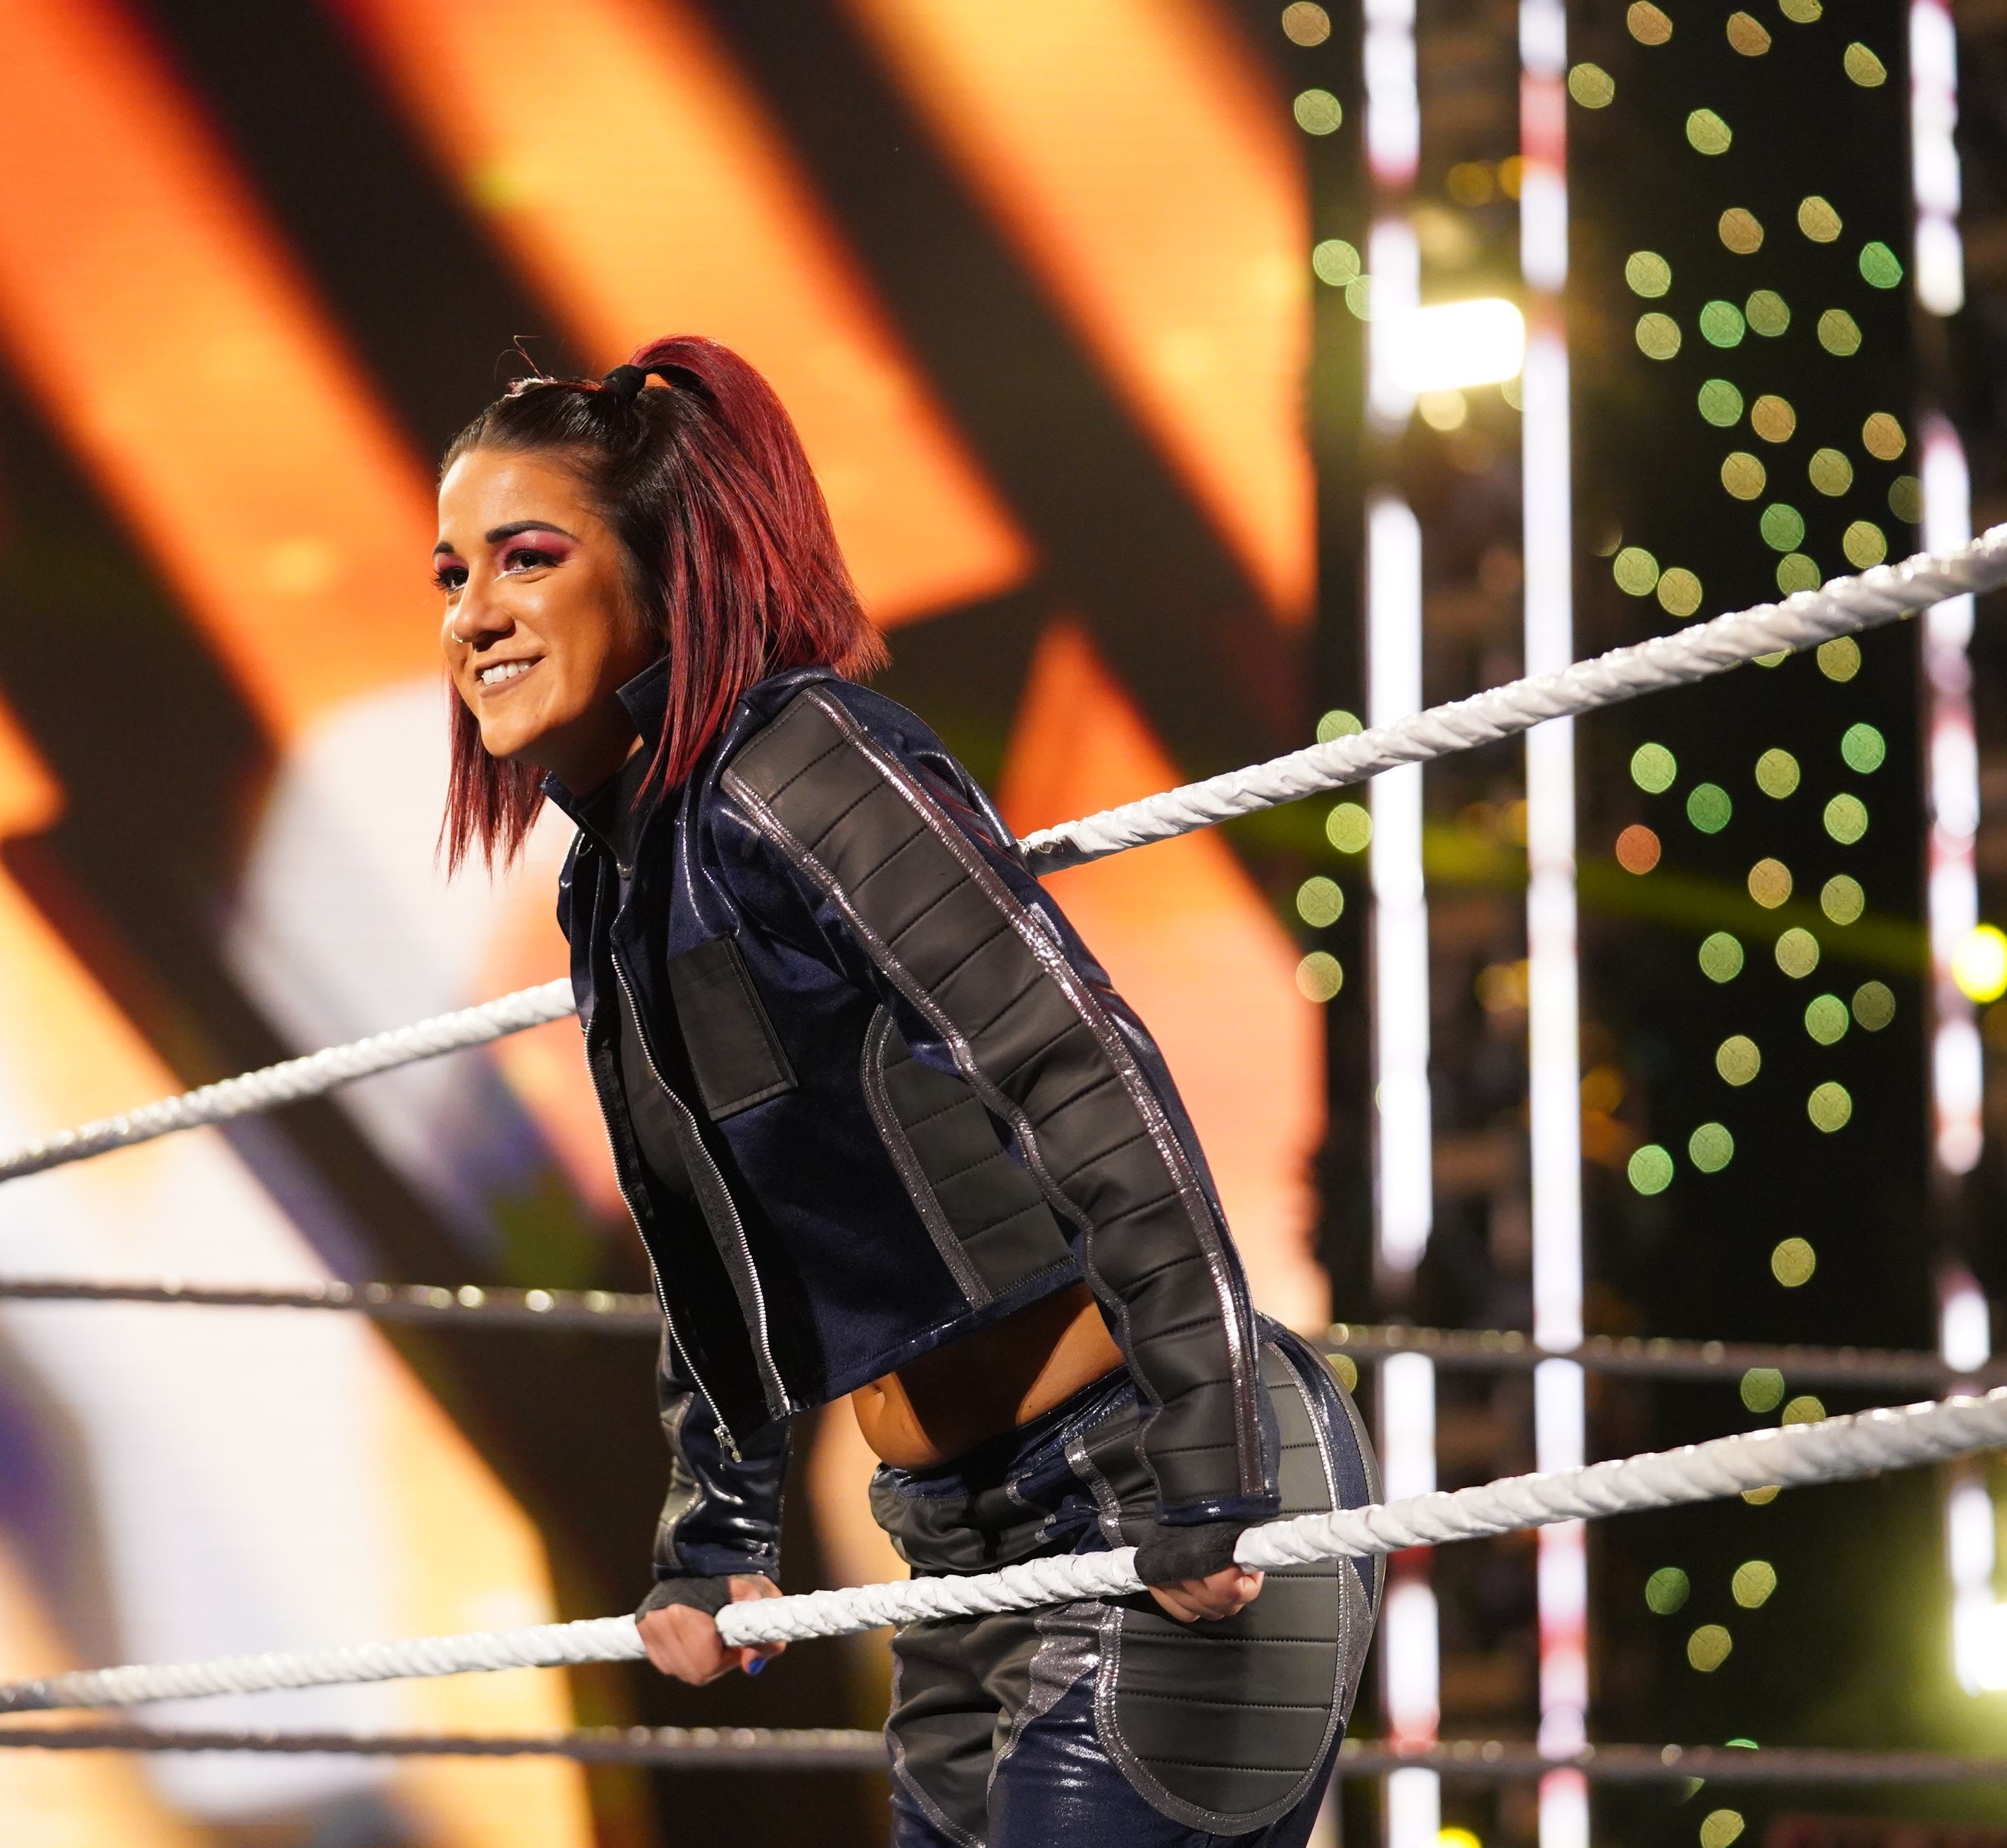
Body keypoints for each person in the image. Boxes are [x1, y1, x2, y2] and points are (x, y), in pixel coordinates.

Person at [434, 335, 1375, 1847]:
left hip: (1141, 1485)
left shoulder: (804, 761)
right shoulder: (614, 887)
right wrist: (717, 1531)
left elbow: (1081, 1067)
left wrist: (1210, 1459)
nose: (474, 613)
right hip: (951, 1548)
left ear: (666, 567)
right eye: (453, 574)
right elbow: (707, 1234)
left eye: (525, 557)